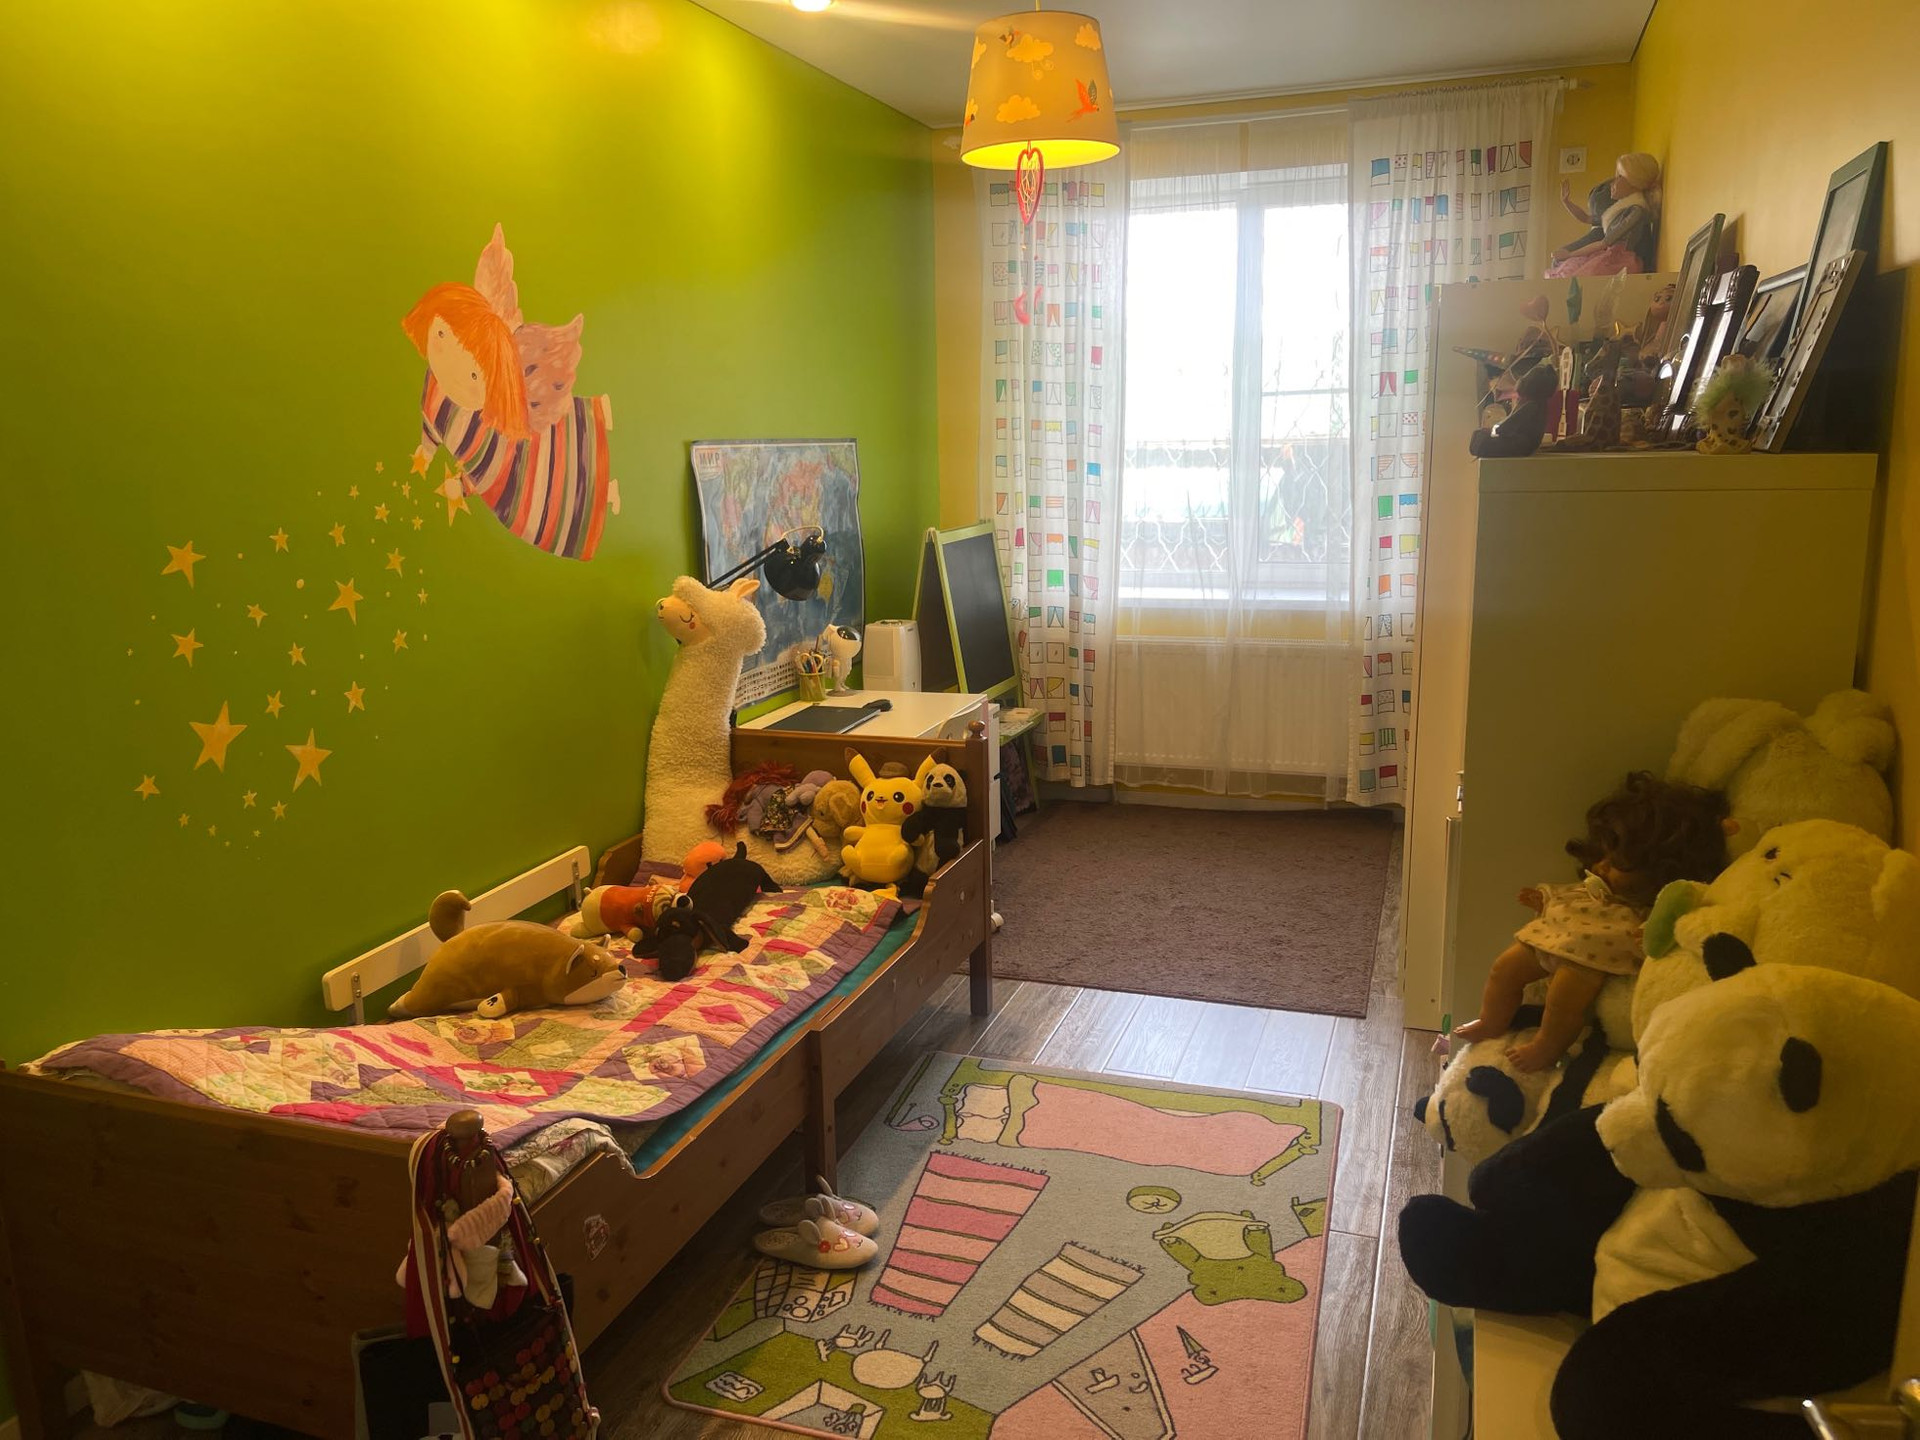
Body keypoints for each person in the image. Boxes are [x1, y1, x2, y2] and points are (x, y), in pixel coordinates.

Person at [1450, 771, 1729, 1071]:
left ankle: (1547, 1046)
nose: (1600, 866)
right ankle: (1491, 1020)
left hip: (1590, 959)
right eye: (1603, 856)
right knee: (1503, 969)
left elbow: (1665, 926)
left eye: (1616, 862)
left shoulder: (1648, 906)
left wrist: (1648, 935)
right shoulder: (1599, 888)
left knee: (1561, 1001)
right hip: (1552, 939)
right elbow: (1573, 897)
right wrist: (1543, 900)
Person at [1545, 152, 1662, 277]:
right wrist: (1567, 202)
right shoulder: (1620, 210)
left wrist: (1570, 254)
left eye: (1620, 177)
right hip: (1610, 255)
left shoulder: (1635, 212)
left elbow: (1604, 243)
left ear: (1634, 183)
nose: (1612, 183)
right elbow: (1586, 218)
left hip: (1619, 261)